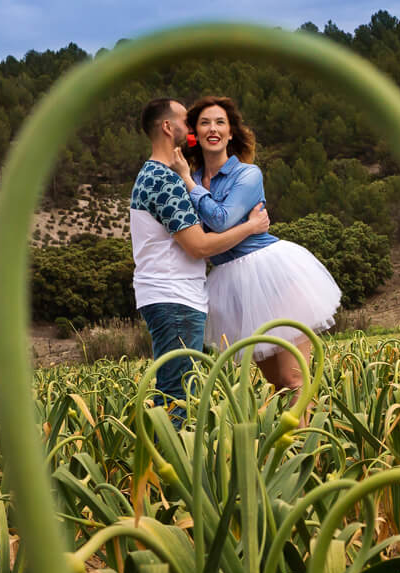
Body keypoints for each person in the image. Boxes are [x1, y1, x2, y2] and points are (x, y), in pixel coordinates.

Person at [173, 95, 341, 397]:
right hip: (229, 282)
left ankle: (306, 443)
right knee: (277, 383)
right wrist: (249, 225)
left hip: (270, 272)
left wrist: (187, 180)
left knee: (295, 379)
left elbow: (221, 221)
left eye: (220, 122)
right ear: (194, 134)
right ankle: (286, 443)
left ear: (231, 132)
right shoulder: (194, 178)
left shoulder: (247, 174)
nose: (213, 128)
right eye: (205, 123)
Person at [131, 97, 271, 424]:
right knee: (177, 395)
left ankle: (159, 467)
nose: (192, 128)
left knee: (175, 389)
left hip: (167, 294)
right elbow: (199, 246)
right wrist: (252, 226)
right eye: (185, 121)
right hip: (175, 296)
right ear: (168, 127)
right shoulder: (166, 180)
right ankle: (166, 469)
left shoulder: (156, 174)